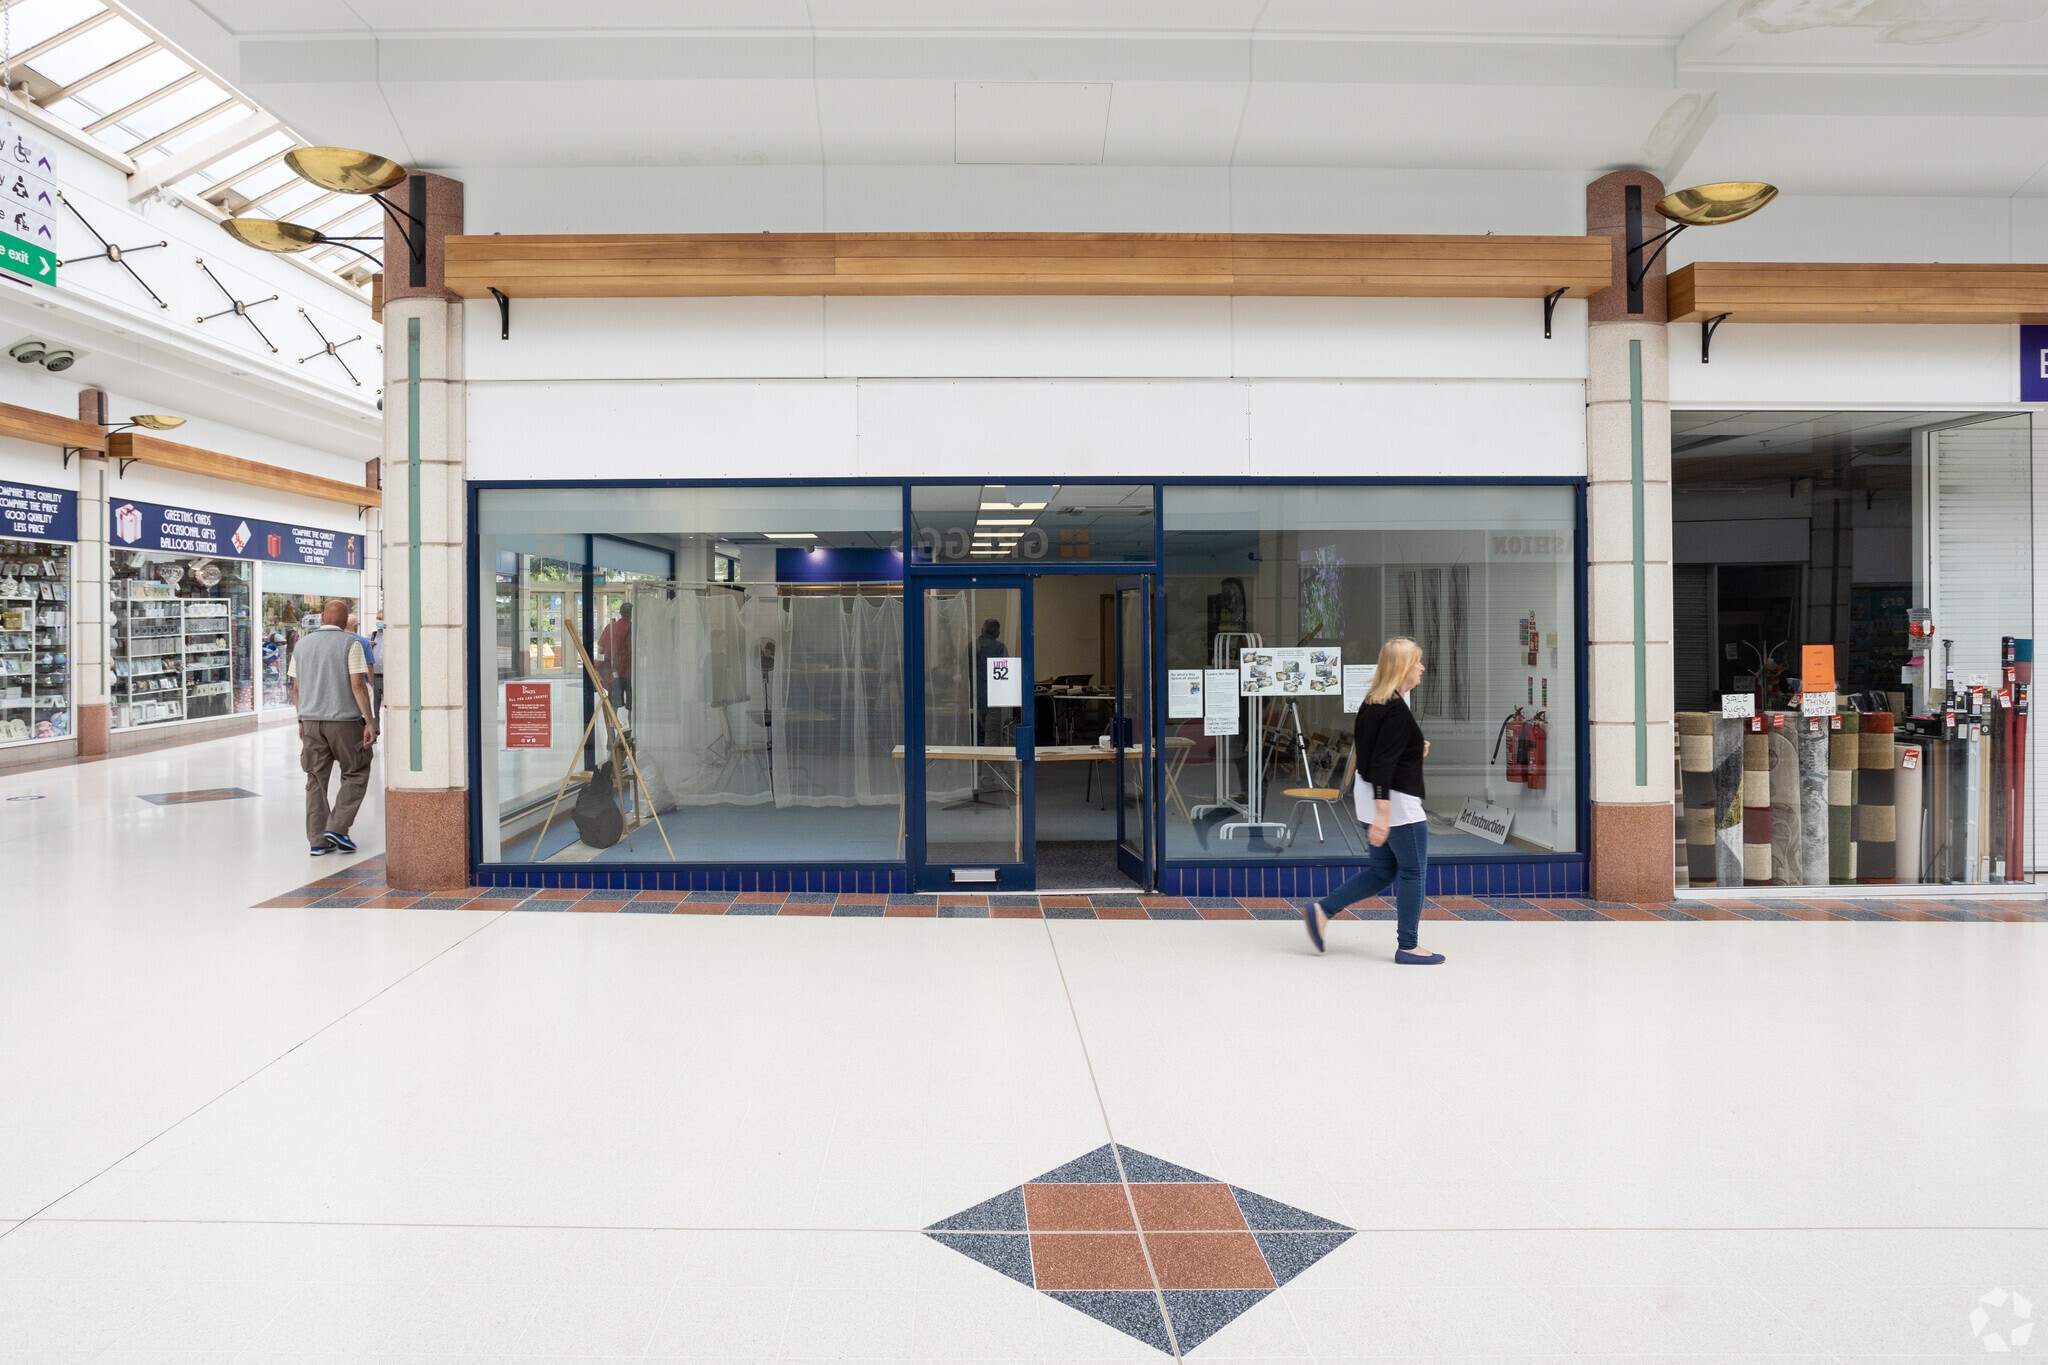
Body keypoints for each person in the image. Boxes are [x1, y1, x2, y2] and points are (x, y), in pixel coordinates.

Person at [1300, 636, 1444, 964]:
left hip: (1368, 796)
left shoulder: (1373, 701)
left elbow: (1376, 753)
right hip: (1396, 803)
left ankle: (1322, 910)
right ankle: (1408, 946)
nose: (1422, 667)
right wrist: (1383, 816)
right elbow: (1383, 765)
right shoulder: (1393, 709)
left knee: (1382, 871)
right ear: (1403, 667)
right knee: (1413, 872)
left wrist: (1414, 748)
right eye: (1417, 662)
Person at [291, 599, 378, 856]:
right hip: (345, 721)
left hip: (310, 722)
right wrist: (369, 721)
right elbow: (357, 685)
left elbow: (295, 688)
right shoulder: (351, 644)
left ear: (321, 618)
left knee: (315, 779)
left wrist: (300, 719)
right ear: (345, 622)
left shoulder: (301, 645)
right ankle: (338, 828)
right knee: (356, 771)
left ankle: (317, 840)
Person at [597, 602, 633, 710]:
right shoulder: (635, 629)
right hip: (630, 672)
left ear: (620, 613)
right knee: (631, 705)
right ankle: (631, 725)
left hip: (614, 671)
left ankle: (613, 725)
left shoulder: (610, 628)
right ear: (632, 614)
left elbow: (600, 650)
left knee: (614, 704)